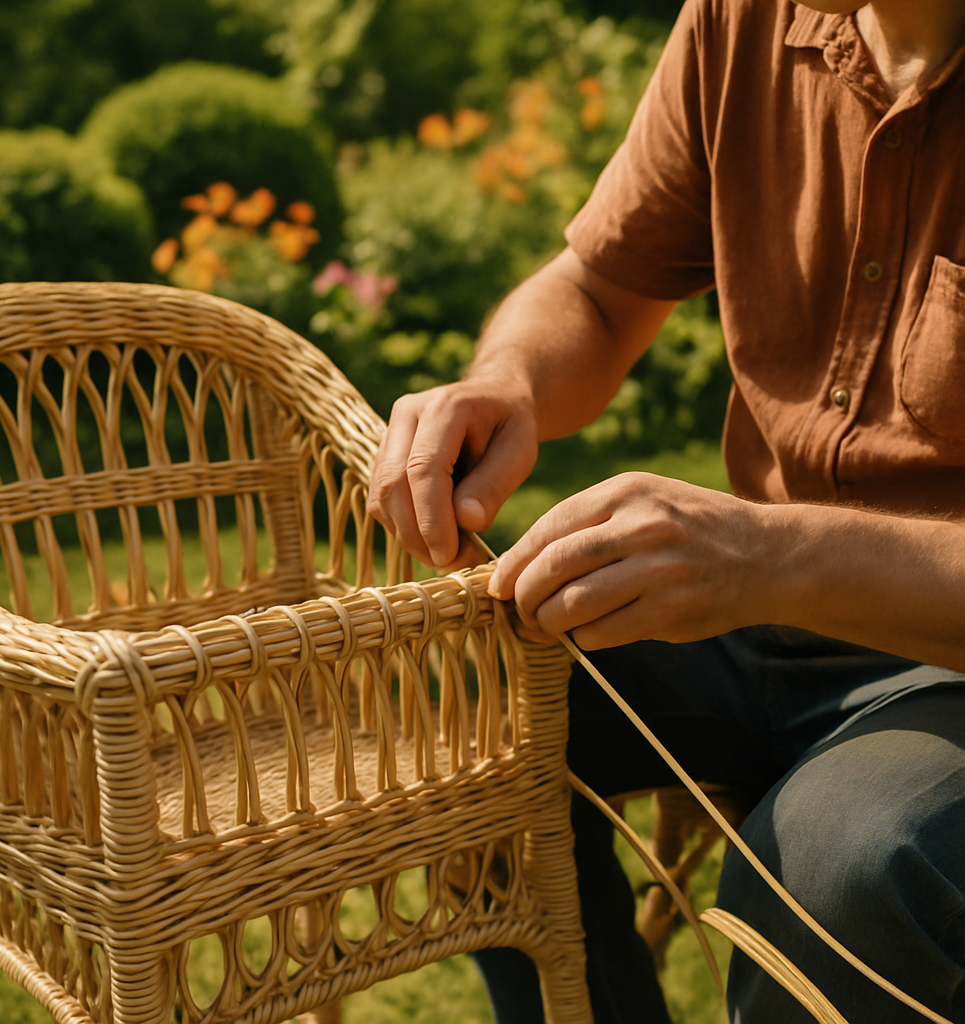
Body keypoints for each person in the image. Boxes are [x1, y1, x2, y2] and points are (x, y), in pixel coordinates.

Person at [367, 0, 965, 1020]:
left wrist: (770, 556)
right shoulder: (741, 22)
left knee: (834, 864)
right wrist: (507, 380)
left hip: (936, 651)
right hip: (756, 609)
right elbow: (597, 292)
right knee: (459, 691)